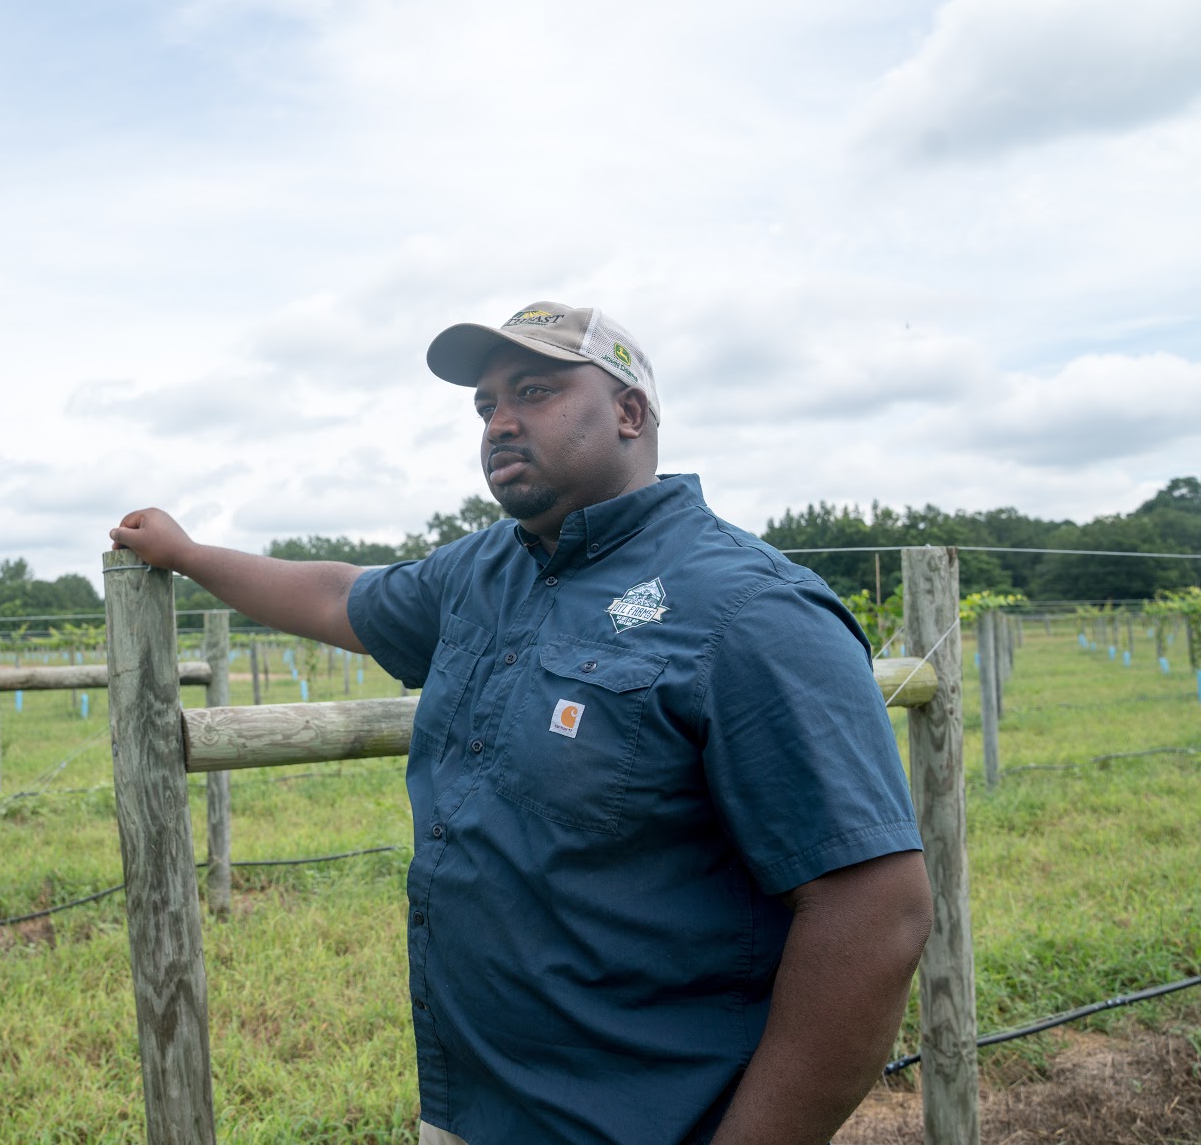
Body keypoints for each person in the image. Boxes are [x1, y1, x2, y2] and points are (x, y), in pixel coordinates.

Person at [110, 301, 933, 1145]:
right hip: (472, 1104)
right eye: (485, 405)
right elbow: (336, 595)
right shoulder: (483, 571)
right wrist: (190, 554)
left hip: (647, 1119)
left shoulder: (748, 608)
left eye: (533, 390)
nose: (499, 422)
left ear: (630, 412)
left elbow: (873, 909)